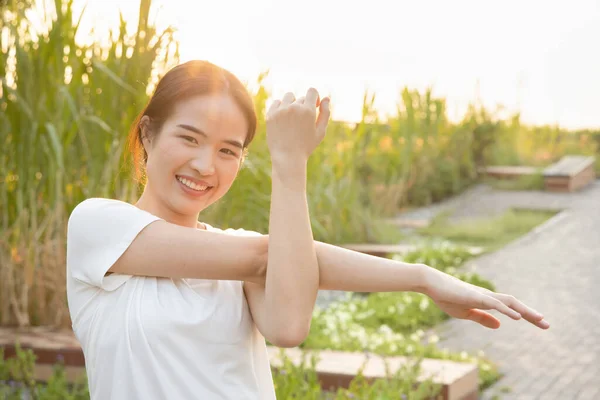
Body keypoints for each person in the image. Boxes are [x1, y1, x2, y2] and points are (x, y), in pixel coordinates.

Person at [65, 60, 549, 400]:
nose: (204, 165)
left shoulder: (239, 251)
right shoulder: (99, 226)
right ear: (148, 134)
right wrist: (290, 162)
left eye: (228, 151)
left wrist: (424, 277)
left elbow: (288, 326)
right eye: (188, 138)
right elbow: (269, 256)